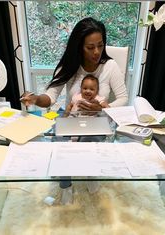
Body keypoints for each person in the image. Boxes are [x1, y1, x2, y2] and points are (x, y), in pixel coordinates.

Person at [20, 17, 128, 204]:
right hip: (71, 119)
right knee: (59, 143)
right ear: (79, 46)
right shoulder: (69, 65)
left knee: (89, 140)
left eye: (100, 45)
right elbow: (51, 97)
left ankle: (91, 176)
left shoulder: (110, 67)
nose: (97, 52)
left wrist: (103, 107)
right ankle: (66, 186)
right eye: (90, 47)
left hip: (98, 121)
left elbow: (123, 98)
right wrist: (37, 98)